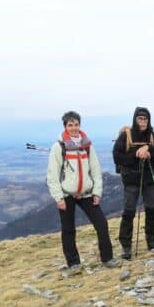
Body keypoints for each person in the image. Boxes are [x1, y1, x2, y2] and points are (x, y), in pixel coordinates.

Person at [46, 111, 121, 275]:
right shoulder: (59, 147)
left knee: (101, 224)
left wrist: (97, 193)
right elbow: (52, 175)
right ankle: (73, 263)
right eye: (70, 125)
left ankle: (108, 259)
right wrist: (58, 197)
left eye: (76, 124)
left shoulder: (87, 146)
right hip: (67, 194)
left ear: (80, 125)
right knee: (68, 229)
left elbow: (95, 170)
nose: (74, 128)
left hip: (87, 193)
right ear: (65, 126)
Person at [113, 107, 154, 260]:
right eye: (140, 119)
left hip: (149, 180)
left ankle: (151, 241)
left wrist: (149, 151)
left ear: (148, 120)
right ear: (135, 119)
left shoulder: (153, 136)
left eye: (145, 119)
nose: (143, 122)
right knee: (129, 211)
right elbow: (117, 157)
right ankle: (126, 246)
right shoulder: (126, 135)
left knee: (151, 209)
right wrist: (136, 154)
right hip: (131, 181)